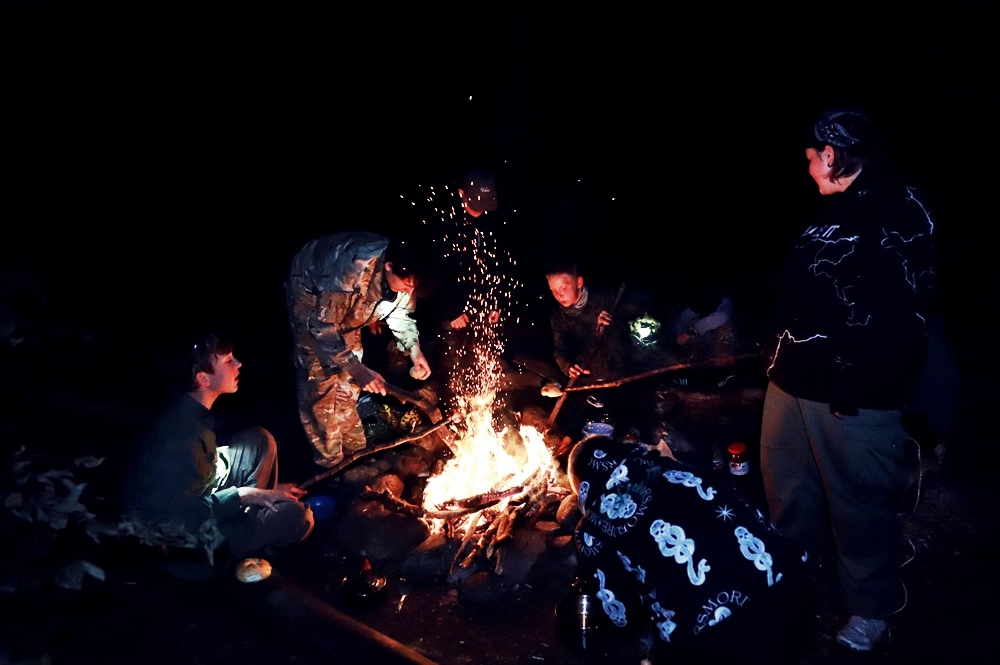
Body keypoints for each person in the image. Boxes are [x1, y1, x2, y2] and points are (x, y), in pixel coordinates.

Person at [760, 108, 936, 652]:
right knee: (787, 488)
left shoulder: (897, 206)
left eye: (811, 157)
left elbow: (906, 309)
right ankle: (784, 574)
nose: (808, 166)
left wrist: (858, 383)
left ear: (832, 154)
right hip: (792, 382)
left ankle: (870, 608)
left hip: (851, 395)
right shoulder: (830, 209)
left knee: (858, 504)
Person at [567, 435, 812, 663]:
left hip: (724, 637)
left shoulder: (592, 527)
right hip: (795, 594)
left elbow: (623, 620)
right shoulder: (674, 467)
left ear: (583, 488)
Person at [123, 333, 314, 565]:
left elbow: (204, 471)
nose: (238, 364)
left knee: (258, 440)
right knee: (298, 517)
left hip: (194, 500)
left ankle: (257, 511)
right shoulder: (183, 440)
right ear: (203, 378)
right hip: (185, 542)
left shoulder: (191, 410)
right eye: (228, 360)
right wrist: (244, 495)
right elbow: (180, 520)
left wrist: (267, 489)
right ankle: (246, 550)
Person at [285, 231, 432, 468]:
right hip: (311, 293)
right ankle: (332, 463)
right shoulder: (353, 269)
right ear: (389, 267)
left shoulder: (409, 271)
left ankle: (355, 452)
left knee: (349, 379)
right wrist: (356, 368)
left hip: (350, 306)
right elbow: (323, 326)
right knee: (321, 379)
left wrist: (414, 350)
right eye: (407, 284)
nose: (410, 291)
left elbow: (401, 313)